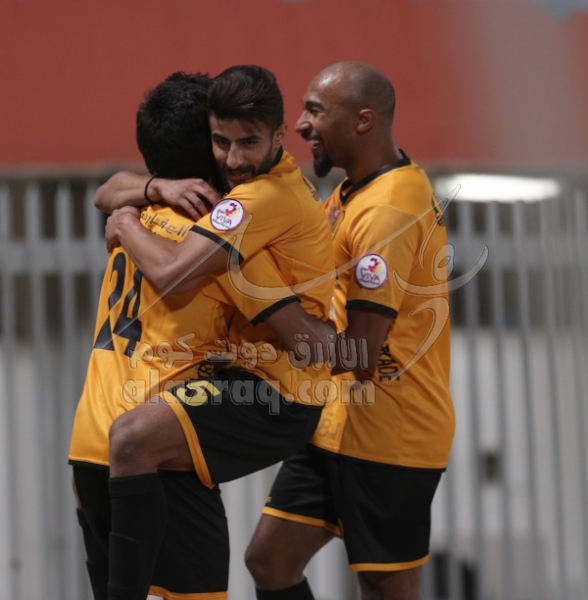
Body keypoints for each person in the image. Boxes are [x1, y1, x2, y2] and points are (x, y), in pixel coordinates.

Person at [69, 71, 331, 600]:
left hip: (91, 444)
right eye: (221, 142)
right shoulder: (214, 241)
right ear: (207, 146)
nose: (233, 158)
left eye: (246, 142)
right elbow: (307, 342)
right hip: (163, 445)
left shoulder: (142, 217)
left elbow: (107, 192)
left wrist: (130, 214)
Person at [245, 61, 455, 600]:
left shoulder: (387, 211)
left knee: (385, 587)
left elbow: (360, 354)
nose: (300, 124)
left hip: (392, 435)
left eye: (315, 111)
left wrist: (265, 303)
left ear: (363, 120)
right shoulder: (353, 192)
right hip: (336, 420)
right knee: (270, 561)